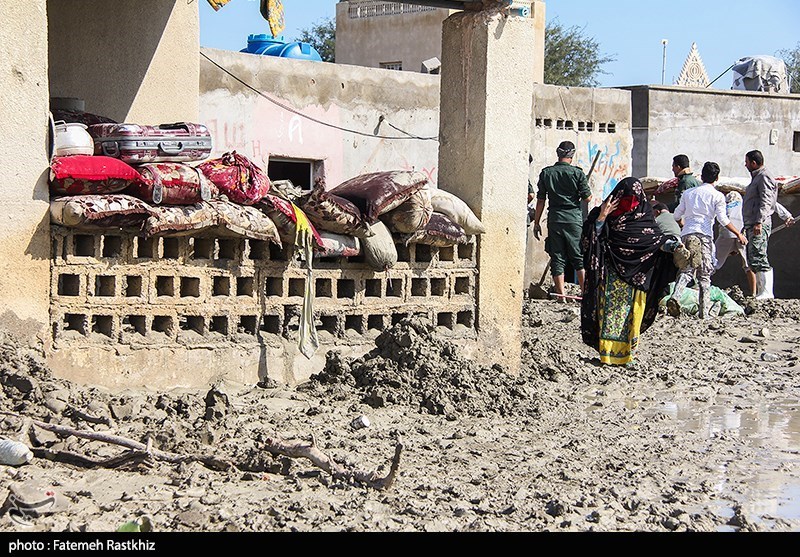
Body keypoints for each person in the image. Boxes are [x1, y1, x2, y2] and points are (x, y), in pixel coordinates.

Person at [580, 177, 679, 366]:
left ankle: (627, 355)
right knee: (609, 315)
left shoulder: (644, 218)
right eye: (626, 198)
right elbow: (589, 241)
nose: (630, 204)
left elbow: (655, 241)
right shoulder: (601, 215)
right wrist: (602, 217)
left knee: (631, 314)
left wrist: (673, 247)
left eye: (633, 198)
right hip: (609, 277)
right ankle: (607, 354)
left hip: (636, 279)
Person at [667, 162, 748, 319]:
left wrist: (684, 225)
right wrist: (739, 234)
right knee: (704, 275)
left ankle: (675, 297)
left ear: (701, 176)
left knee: (687, 270)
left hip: (688, 235)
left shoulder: (688, 193)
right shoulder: (717, 196)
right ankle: (704, 313)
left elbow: (677, 215)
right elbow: (723, 220)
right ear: (717, 178)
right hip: (704, 236)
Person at [532, 141, 593, 298]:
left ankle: (561, 295)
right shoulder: (578, 173)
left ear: (558, 153)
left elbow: (540, 200)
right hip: (573, 219)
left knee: (557, 256)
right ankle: (584, 293)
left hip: (555, 219)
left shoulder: (546, 173)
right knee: (578, 257)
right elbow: (588, 198)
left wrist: (537, 222)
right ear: (572, 155)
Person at [742, 150, 795, 299]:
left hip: (759, 223)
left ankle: (766, 292)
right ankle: (761, 291)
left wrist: (759, 221)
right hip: (752, 223)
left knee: (759, 256)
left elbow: (767, 201)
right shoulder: (757, 178)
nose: (745, 165)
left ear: (753, 163)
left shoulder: (764, 177)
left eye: (747, 162)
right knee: (753, 258)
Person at [713, 191, 756, 296]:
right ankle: (754, 293)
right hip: (741, 235)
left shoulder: (724, 206)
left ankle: (698, 286)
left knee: (712, 262)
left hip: (726, 234)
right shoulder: (744, 205)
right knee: (748, 266)